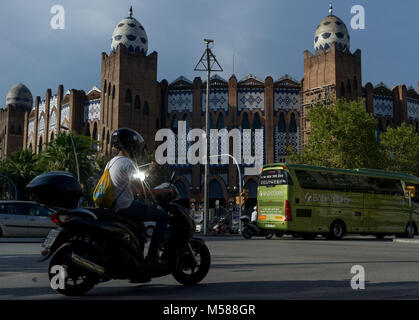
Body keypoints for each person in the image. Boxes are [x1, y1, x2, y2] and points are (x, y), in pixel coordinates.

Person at [106, 128, 172, 266]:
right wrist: (164, 191)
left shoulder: (111, 162)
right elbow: (142, 192)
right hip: (125, 206)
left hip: (113, 207)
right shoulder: (128, 164)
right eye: (135, 144)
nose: (136, 147)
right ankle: (152, 258)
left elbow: (133, 190)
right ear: (129, 144)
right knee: (163, 217)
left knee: (140, 227)